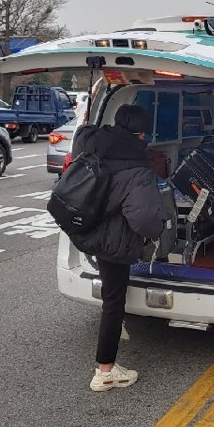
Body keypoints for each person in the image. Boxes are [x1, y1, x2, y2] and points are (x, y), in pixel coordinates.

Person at [71, 104, 164, 391]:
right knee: (113, 302)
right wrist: (158, 232)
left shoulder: (91, 144)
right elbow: (145, 220)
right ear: (141, 133)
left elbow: (83, 131)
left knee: (111, 296)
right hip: (114, 240)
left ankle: (114, 334)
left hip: (88, 231)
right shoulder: (137, 167)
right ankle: (105, 371)